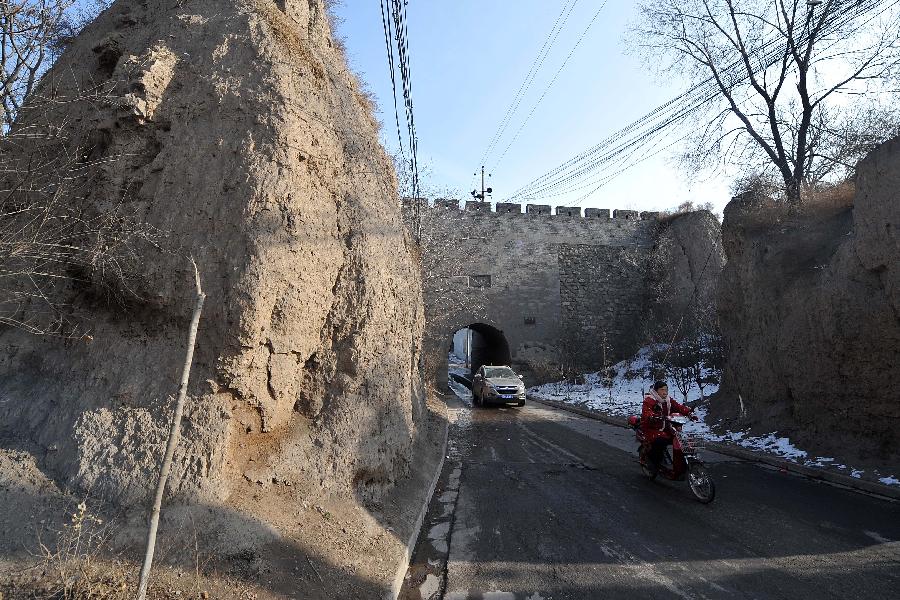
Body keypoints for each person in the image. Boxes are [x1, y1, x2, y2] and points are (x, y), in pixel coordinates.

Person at [641, 380, 694, 473]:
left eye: (666, 389)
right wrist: (653, 416)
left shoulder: (668, 400)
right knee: (660, 442)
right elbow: (647, 413)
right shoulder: (649, 400)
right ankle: (653, 463)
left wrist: (689, 413)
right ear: (656, 391)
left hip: (667, 427)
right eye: (662, 390)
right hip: (652, 428)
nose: (665, 392)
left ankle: (681, 462)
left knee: (682, 439)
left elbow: (678, 407)